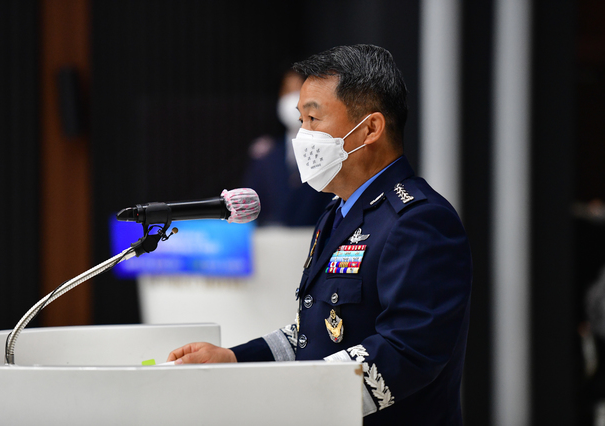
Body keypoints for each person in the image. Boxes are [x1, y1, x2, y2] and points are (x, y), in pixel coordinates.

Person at [167, 44, 472, 425]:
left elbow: (407, 350)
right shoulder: (336, 212)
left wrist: (292, 399)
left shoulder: (419, 220)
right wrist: (235, 359)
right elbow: (314, 332)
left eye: (313, 119)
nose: (302, 136)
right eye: (300, 120)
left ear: (371, 128)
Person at [243, 69, 334, 226]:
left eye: (299, 90)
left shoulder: (332, 154)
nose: (293, 98)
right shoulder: (265, 158)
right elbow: (249, 207)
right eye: (287, 91)